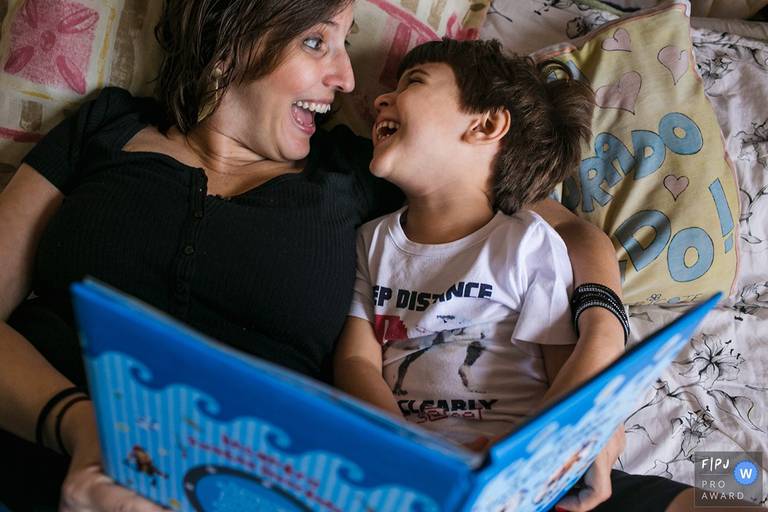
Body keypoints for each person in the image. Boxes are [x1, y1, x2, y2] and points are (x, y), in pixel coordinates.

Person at [0, 1, 627, 511]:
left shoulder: (358, 175)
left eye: (345, 45)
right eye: (316, 42)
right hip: (31, 447)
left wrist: (600, 360)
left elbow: (563, 229)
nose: (349, 80)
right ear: (233, 34)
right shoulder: (106, 126)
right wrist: (79, 426)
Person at [333, 39, 760, 512]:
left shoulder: (528, 241)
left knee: (730, 496)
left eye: (413, 82)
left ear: (487, 124)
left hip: (530, 475)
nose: (380, 99)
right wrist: (407, 449)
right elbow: (355, 361)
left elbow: (565, 370)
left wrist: (528, 458)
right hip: (415, 476)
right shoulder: (370, 240)